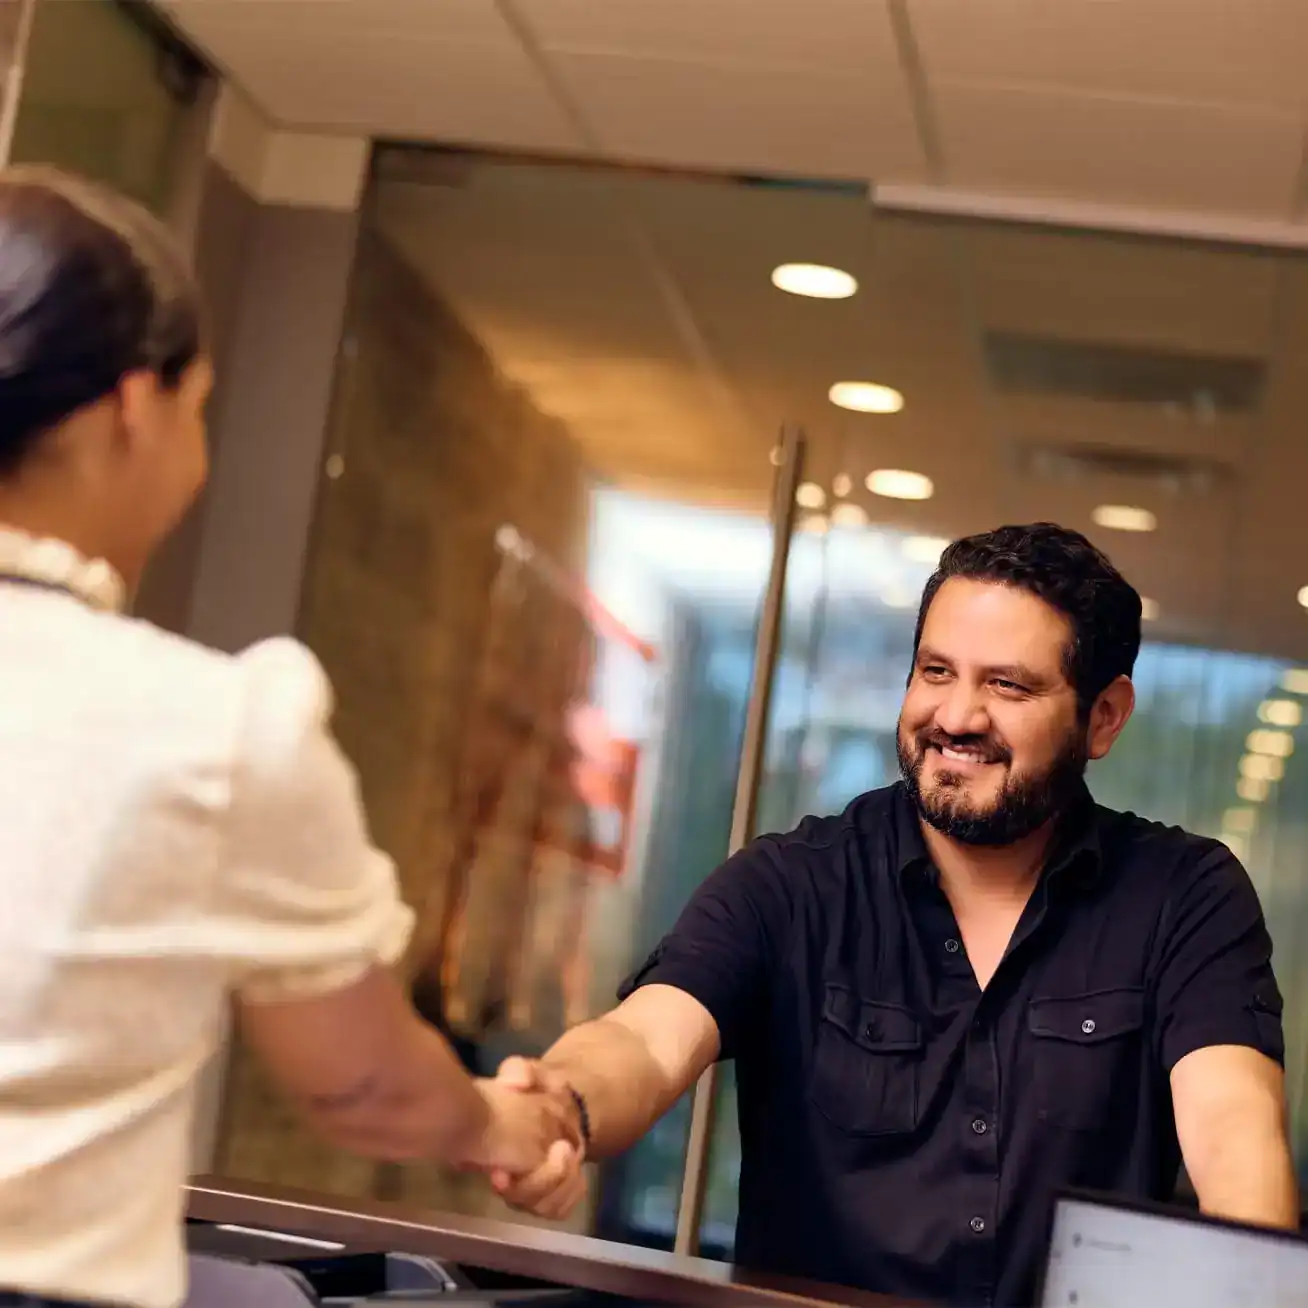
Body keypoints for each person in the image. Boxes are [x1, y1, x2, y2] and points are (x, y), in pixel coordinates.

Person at [0, 166, 575, 1308]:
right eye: (197, 411)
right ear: (132, 407)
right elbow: (366, 1087)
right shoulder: (207, 729)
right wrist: (503, 1124)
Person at [489, 522, 1299, 1306]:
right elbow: (646, 1038)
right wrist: (562, 1104)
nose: (955, 717)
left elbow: (1232, 1127)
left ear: (1105, 717)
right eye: (936, 672)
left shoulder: (1184, 896)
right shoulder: (793, 885)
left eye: (1007, 685)